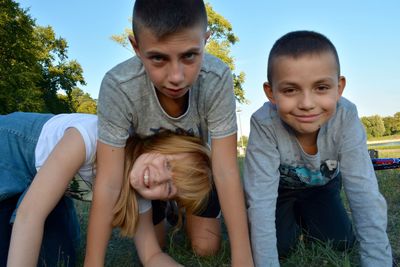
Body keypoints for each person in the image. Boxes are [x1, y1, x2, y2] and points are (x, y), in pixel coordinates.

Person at [85, 0, 254, 266]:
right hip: (152, 178)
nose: (176, 76)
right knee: (157, 246)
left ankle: (186, 209)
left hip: (190, 173)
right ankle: (168, 210)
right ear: (136, 48)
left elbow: (225, 170)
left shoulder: (217, 77)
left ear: (205, 41)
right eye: (158, 58)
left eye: (189, 56)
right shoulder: (119, 86)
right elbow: (108, 181)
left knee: (206, 246)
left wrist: (243, 259)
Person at [244, 30, 392, 267]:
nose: (306, 104)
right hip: (280, 190)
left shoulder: (346, 116)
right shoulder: (263, 123)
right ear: (271, 92)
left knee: (341, 241)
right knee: (282, 246)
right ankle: (291, 215)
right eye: (290, 90)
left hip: (322, 186)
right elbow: (261, 202)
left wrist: (378, 262)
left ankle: (308, 212)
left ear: (339, 87)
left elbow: (364, 193)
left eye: (321, 87)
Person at [0, 112, 212, 267]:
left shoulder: (137, 192)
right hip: (12, 148)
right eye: (167, 164)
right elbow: (30, 216)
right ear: (158, 146)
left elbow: (151, 255)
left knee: (55, 260)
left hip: (46, 188)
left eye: (168, 188)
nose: (157, 179)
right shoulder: (92, 137)